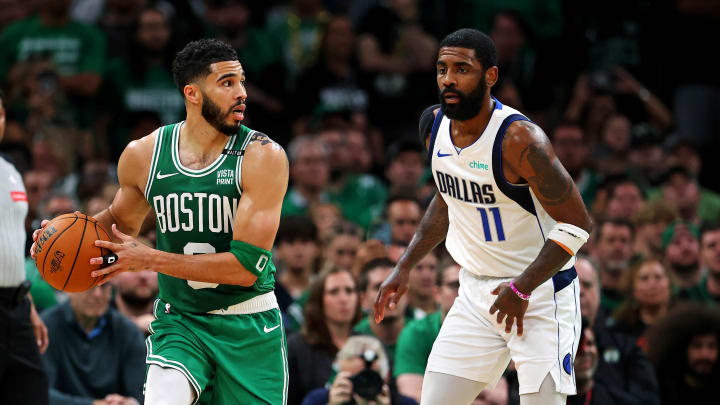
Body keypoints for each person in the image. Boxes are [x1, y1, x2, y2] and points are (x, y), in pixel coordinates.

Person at [30, 39, 289, 405]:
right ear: (193, 93)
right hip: (180, 322)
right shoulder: (145, 155)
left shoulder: (262, 156)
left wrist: (151, 260)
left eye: (242, 81)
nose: (242, 93)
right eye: (227, 83)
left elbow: (245, 268)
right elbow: (116, 225)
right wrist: (58, 235)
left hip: (248, 325)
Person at [375, 29, 593, 405]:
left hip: (539, 294)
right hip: (475, 293)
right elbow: (446, 198)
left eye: (462, 69)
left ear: (490, 75)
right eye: (442, 68)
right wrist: (405, 265)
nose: (449, 79)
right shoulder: (433, 126)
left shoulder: (521, 140)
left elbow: (579, 225)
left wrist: (522, 288)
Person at [0, 88, 49, 405]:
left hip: (15, 306)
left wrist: (27, 303)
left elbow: (12, 247)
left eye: (1, 113)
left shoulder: (11, 172)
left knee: (32, 393)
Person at [575, 257, 660, 405]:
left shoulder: (628, 347)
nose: (580, 291)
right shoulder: (544, 349)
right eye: (572, 285)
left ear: (599, 293)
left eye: (587, 285)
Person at [42, 284, 145, 404]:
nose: (98, 294)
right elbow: (39, 393)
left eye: (104, 286)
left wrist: (129, 402)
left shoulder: (128, 330)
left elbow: (142, 392)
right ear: (68, 289)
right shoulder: (46, 328)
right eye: (89, 286)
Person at [287, 267, 362, 405]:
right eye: (334, 292)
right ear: (318, 300)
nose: (344, 299)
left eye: (349, 291)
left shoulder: (368, 344)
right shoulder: (296, 347)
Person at [395, 262, 461, 402]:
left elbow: (500, 395)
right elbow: (412, 395)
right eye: (455, 285)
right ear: (437, 293)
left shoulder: (491, 331)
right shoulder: (416, 332)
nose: (463, 291)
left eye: (470, 286)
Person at [301, 335, 417, 405]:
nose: (364, 385)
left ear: (385, 376)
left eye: (371, 377)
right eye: (357, 379)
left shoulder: (403, 403)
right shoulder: (318, 400)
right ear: (340, 375)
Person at [646, 304, 720, 404]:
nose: (705, 354)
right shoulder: (660, 385)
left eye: (711, 346)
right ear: (681, 348)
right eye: (697, 346)